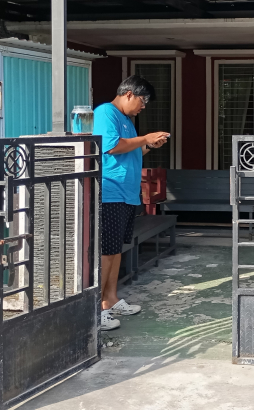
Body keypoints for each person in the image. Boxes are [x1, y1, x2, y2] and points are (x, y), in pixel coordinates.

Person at [93, 75, 170, 331]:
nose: (143, 107)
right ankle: (97, 309)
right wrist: (145, 137)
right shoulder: (106, 112)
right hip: (110, 192)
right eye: (142, 100)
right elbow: (112, 146)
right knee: (107, 251)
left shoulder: (126, 120)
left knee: (116, 250)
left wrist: (149, 145)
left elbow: (131, 149)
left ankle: (111, 299)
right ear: (128, 94)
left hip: (126, 193)